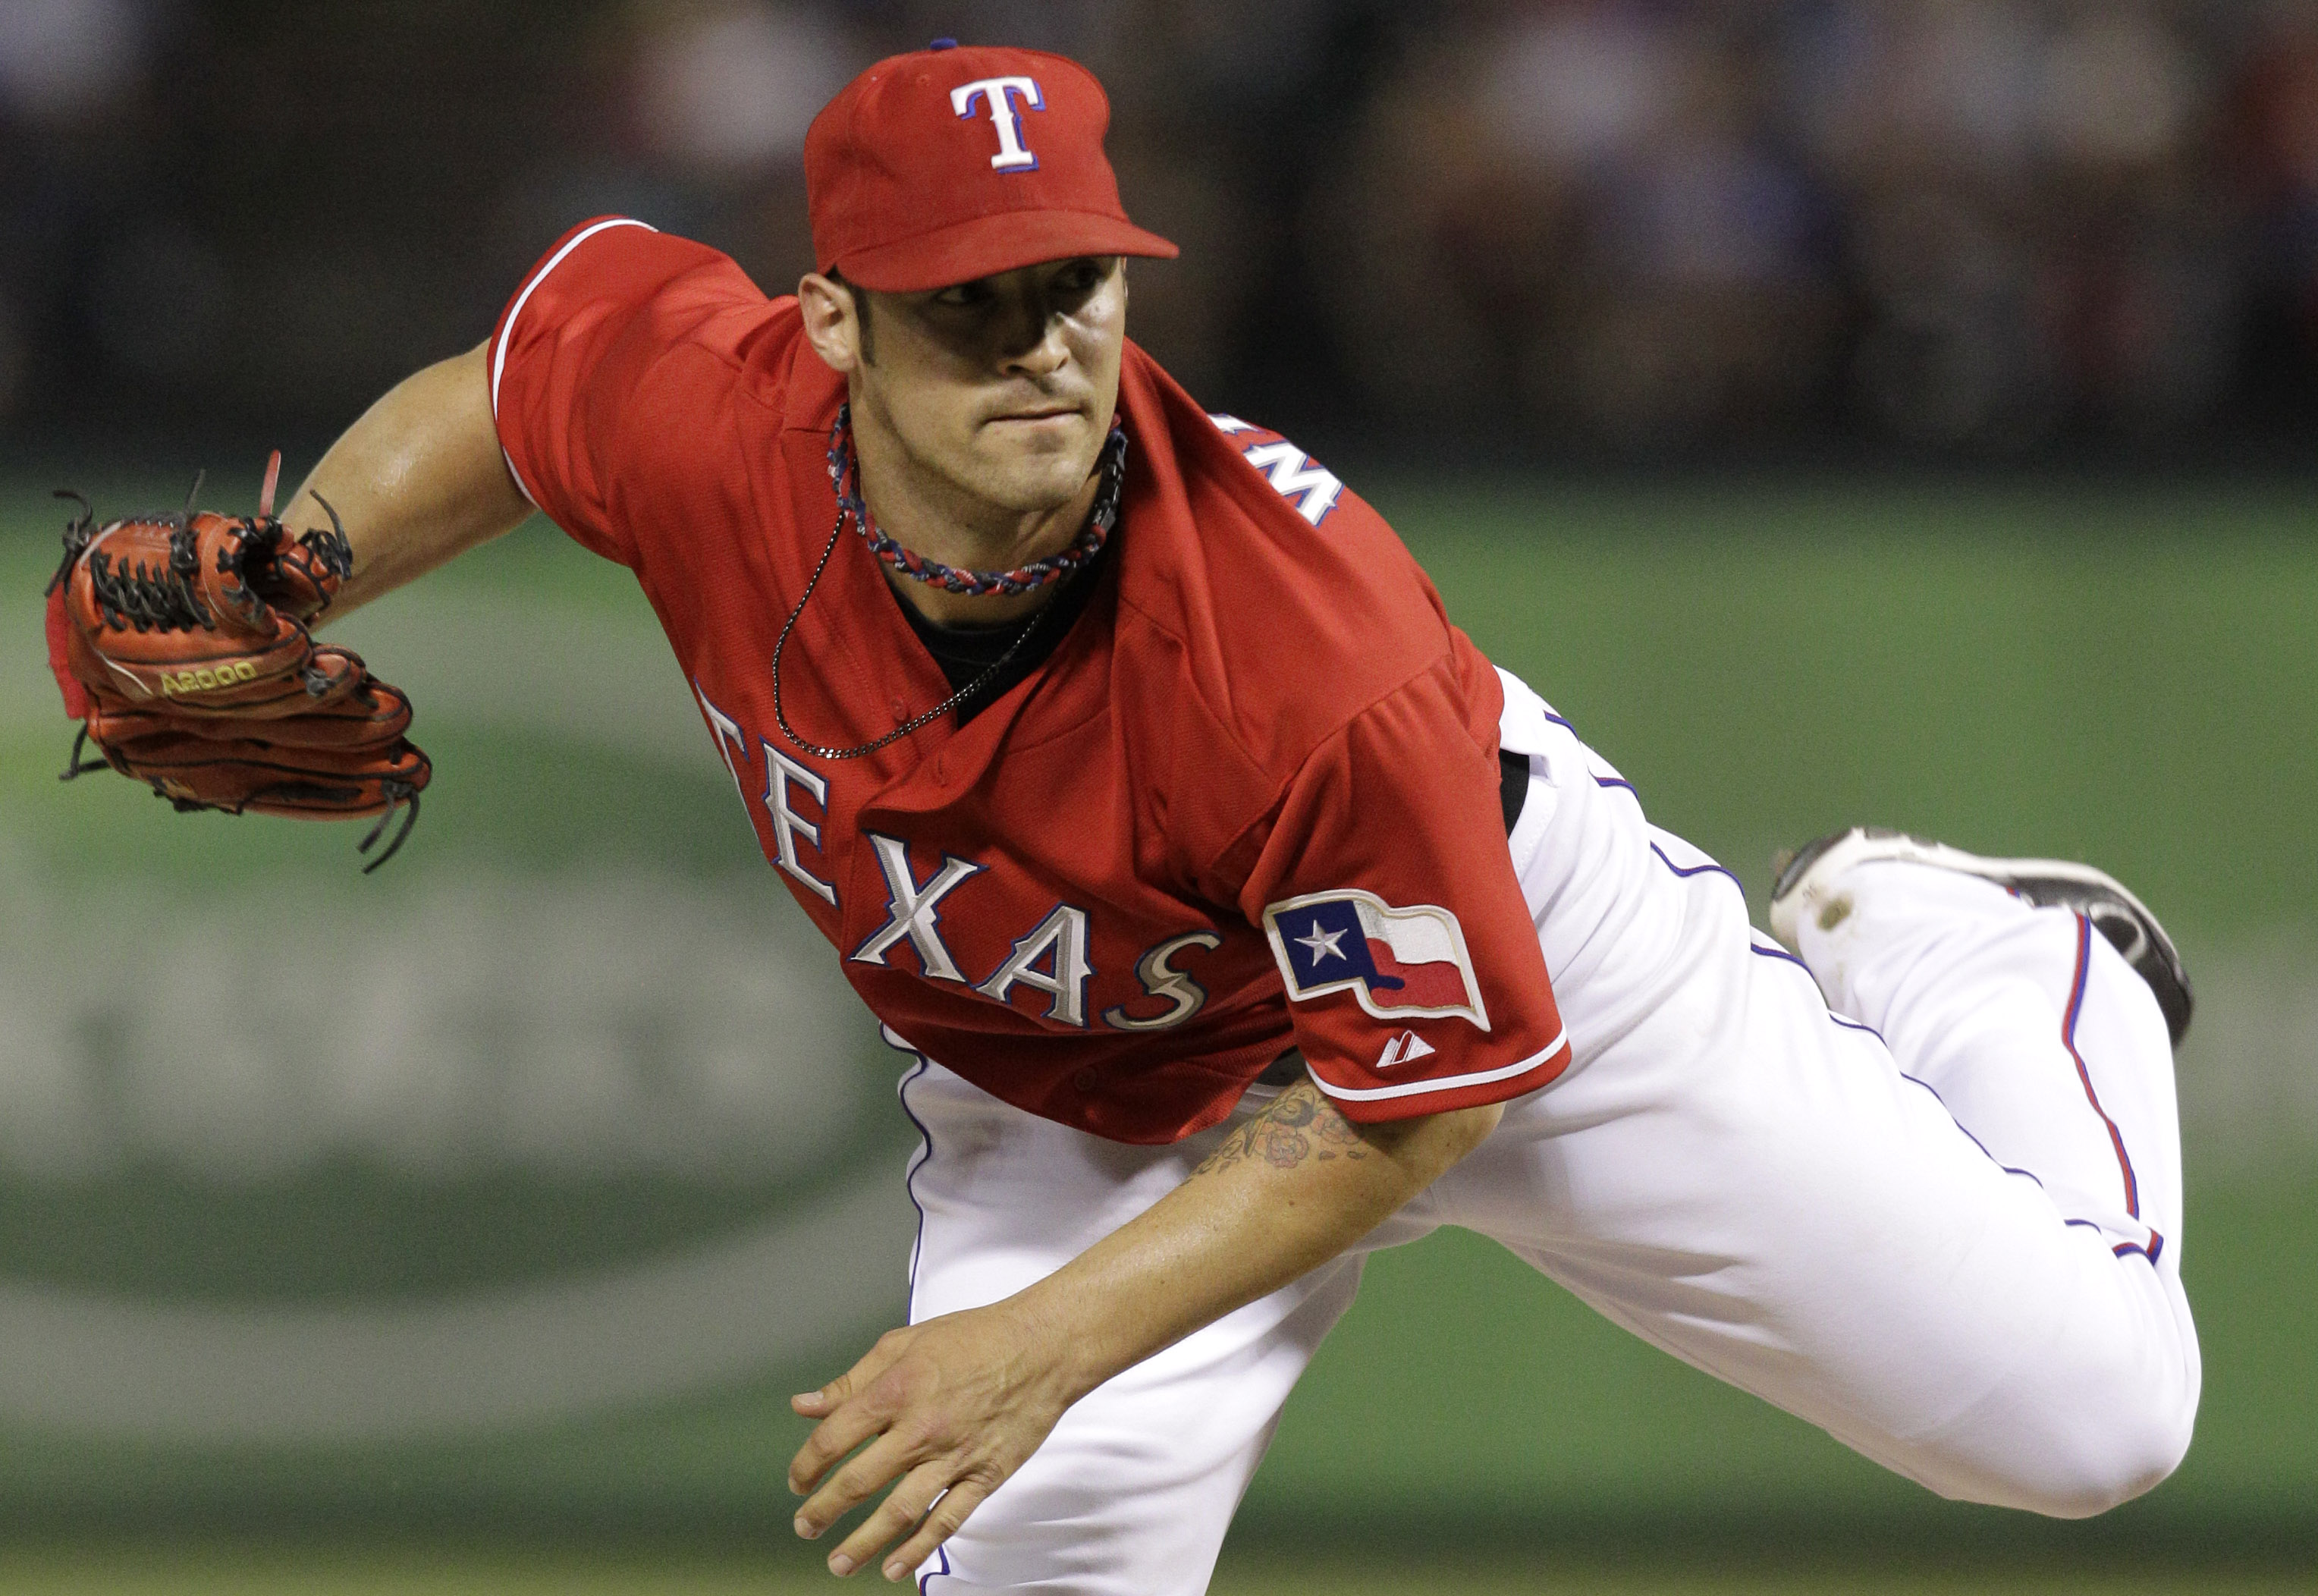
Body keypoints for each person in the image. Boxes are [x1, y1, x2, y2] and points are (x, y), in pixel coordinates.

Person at [257, 42, 2197, 1594]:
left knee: (2090, 1421)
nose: (1042, 345)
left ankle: (1991, 949)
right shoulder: (716, 421)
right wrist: (280, 579)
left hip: (1499, 975)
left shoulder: (1289, 637)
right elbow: (516, 394)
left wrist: (1037, 1343)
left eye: (1076, 283)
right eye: (970, 303)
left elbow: (1411, 1092)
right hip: (1077, 1099)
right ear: (835, 322)